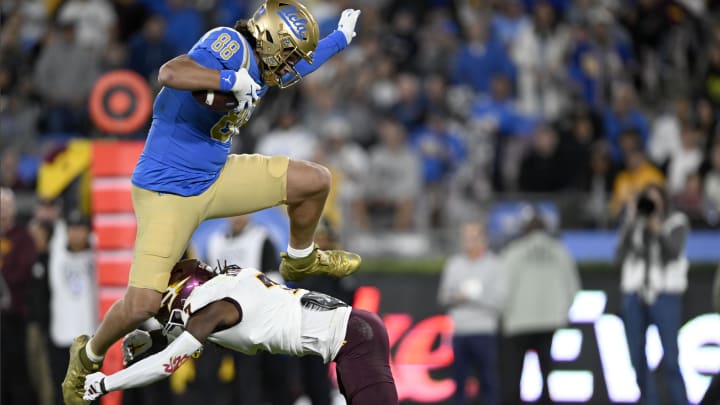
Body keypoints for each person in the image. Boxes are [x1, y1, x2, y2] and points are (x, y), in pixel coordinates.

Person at [61, 2, 362, 403]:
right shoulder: (232, 44)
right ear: (272, 41)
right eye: (289, 52)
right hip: (168, 192)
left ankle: (300, 256)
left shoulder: (267, 63)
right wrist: (228, 78)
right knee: (142, 304)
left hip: (216, 175)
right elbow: (170, 72)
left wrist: (338, 39)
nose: (290, 65)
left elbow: (296, 70)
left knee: (314, 181)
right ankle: (87, 354)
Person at [82, 258, 398, 405]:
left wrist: (106, 383)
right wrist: (153, 336)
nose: (167, 316)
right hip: (354, 332)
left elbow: (167, 363)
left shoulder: (216, 309)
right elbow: (206, 329)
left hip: (352, 339)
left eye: (165, 307)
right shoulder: (226, 291)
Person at [615, 184, 689, 405]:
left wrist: (657, 229)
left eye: (656, 201)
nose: (651, 206)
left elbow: (672, 253)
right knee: (636, 358)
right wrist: (630, 223)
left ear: (664, 202)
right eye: (647, 201)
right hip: (635, 294)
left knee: (671, 361)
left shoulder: (676, 222)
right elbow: (619, 255)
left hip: (665, 294)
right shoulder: (633, 224)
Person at [500, 209, 580, 405]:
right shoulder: (559, 250)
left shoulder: (513, 251)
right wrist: (562, 310)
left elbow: (502, 288)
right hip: (549, 319)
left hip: (519, 322)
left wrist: (504, 314)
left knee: (514, 376)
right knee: (546, 372)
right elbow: (573, 287)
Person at [437, 221, 505, 405]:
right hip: (460, 331)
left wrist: (472, 297)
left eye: (474, 236)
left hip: (485, 331)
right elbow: (443, 297)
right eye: (466, 237)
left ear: (484, 239)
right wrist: (458, 297)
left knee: (488, 381)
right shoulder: (455, 264)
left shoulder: (494, 264)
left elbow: (499, 301)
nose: (469, 241)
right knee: (459, 382)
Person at [0, 187, 37, 405]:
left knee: (17, 370)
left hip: (14, 317)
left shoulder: (22, 238)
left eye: (5, 206)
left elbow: (22, 272)